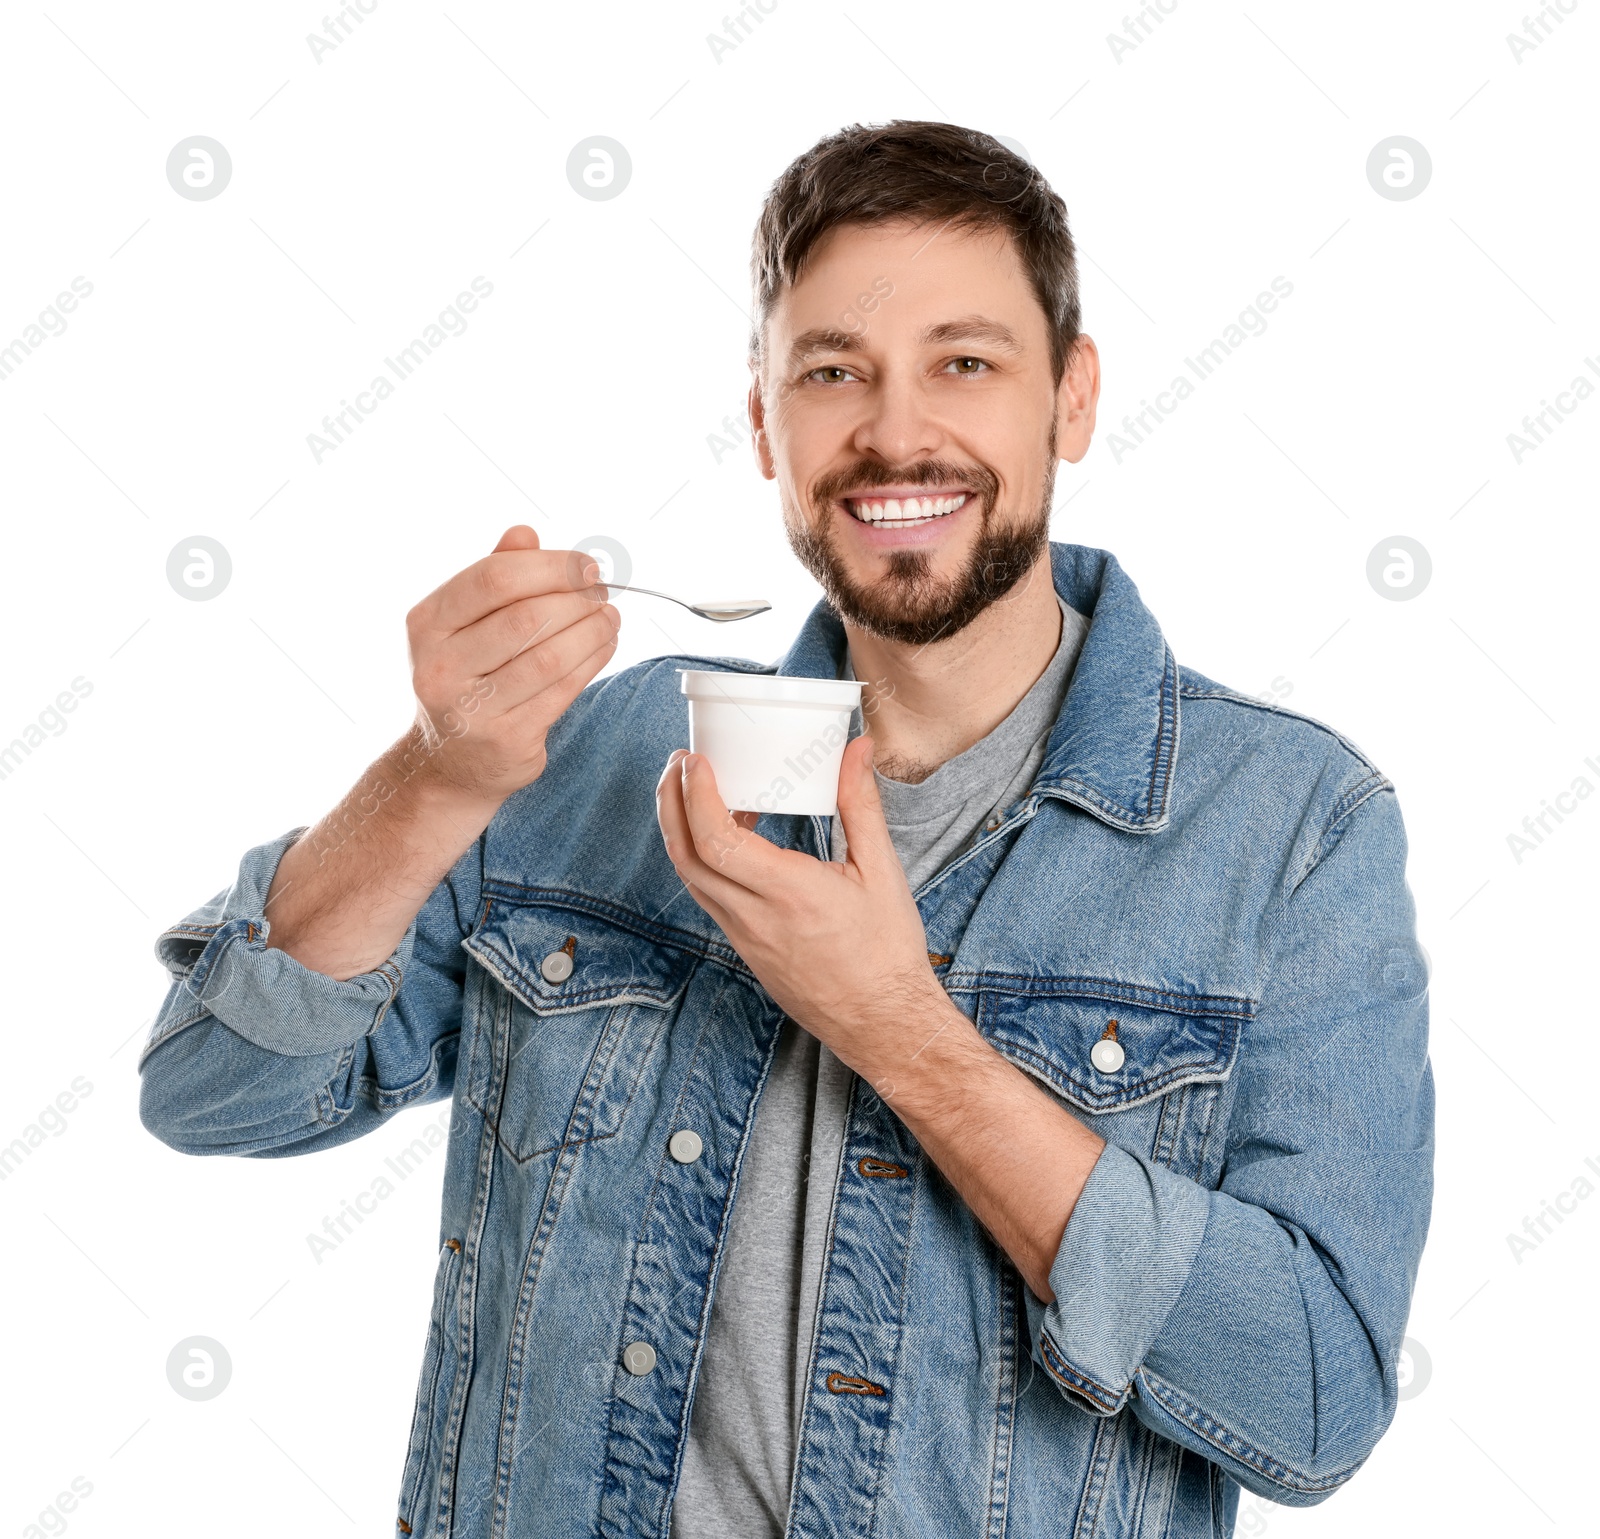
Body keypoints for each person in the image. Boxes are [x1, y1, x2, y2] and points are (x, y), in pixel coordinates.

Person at [139, 120, 1434, 1539]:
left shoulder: (1295, 830)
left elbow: (1309, 1405)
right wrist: (435, 779)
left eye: (965, 361)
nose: (893, 433)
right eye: (832, 372)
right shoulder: (598, 754)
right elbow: (213, 1092)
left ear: (1071, 398)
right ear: (763, 419)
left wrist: (899, 1030)